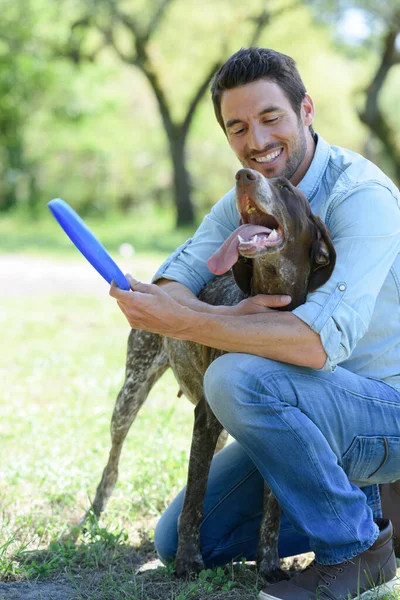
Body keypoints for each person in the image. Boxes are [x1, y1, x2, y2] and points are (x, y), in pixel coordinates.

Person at [110, 47, 400, 600]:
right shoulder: (249, 197)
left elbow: (313, 344)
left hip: (386, 410)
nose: (257, 141)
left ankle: (358, 550)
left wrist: (195, 323)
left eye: (271, 118)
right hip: (309, 415)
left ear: (306, 109)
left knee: (235, 377)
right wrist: (182, 307)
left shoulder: (363, 197)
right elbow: (179, 278)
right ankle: (371, 506)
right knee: (178, 540)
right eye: (238, 127)